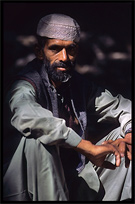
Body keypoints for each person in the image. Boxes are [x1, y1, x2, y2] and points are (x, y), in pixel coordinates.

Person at [3, 13, 132, 201]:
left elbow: (122, 107)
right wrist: (86, 147)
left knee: (124, 141)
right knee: (38, 139)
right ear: (39, 51)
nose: (64, 57)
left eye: (70, 49)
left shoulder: (78, 85)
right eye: (55, 49)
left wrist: (128, 136)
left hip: (74, 181)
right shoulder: (24, 86)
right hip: (29, 189)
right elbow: (28, 116)